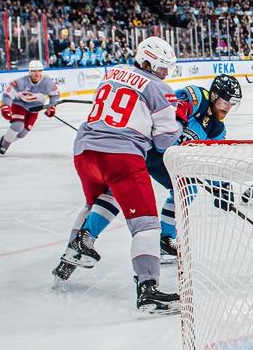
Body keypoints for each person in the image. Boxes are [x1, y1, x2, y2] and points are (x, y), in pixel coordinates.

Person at [58, 75, 243, 280]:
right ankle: (80, 243)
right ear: (215, 95)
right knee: (115, 192)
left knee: (187, 188)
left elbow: (208, 160)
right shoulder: (197, 95)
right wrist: (178, 122)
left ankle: (165, 239)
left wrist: (220, 186)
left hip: (163, 158)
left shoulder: (217, 129)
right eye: (226, 102)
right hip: (143, 148)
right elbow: (172, 109)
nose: (228, 108)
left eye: (232, 104)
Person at [53, 35, 183, 313]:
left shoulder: (112, 73)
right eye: (162, 67)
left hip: (84, 150)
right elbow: (164, 141)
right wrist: (178, 126)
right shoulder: (158, 88)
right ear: (148, 61)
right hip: (121, 156)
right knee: (146, 225)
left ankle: (71, 254)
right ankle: (148, 290)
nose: (164, 73)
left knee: (100, 200)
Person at [0, 60, 60, 155]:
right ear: (29, 72)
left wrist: (52, 107)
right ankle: (4, 145)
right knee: (18, 125)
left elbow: (55, 95)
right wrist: (5, 107)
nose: (37, 73)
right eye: (34, 71)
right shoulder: (21, 82)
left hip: (34, 110)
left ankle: (6, 139)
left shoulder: (48, 83)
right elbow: (7, 94)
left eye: (39, 71)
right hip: (20, 105)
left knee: (22, 134)